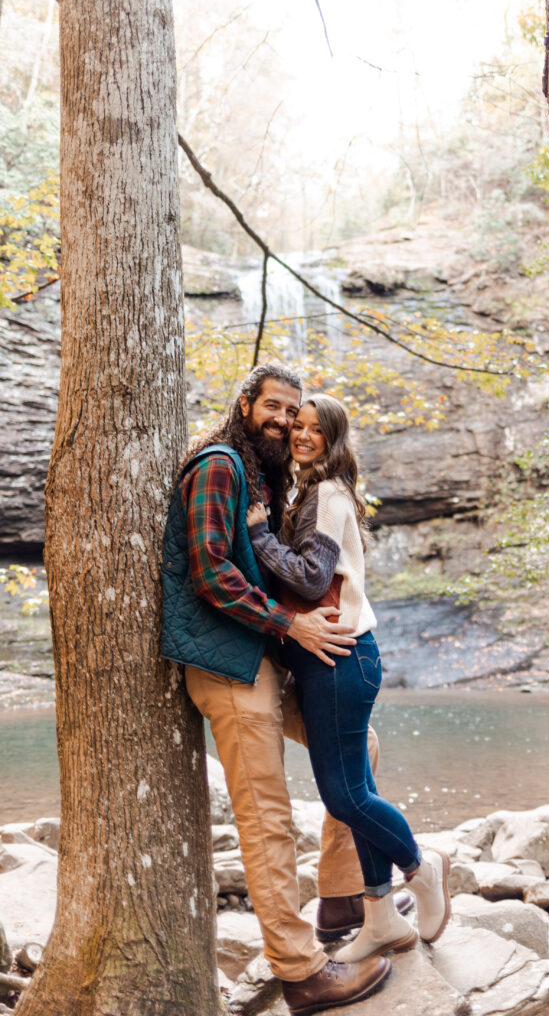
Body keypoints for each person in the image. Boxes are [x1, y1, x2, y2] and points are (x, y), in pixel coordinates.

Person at [160, 364, 392, 1015]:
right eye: (274, 407)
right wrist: (289, 622)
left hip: (263, 659)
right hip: (227, 667)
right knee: (267, 821)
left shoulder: (263, 477)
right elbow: (209, 572)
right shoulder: (217, 466)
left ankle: (343, 896)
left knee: (359, 747)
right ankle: (301, 973)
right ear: (245, 404)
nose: (286, 421)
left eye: (294, 411)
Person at [246, 393, 452, 962]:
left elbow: (313, 581)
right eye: (298, 427)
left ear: (334, 439)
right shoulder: (306, 491)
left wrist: (260, 538)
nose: (302, 436)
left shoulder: (330, 496)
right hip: (324, 661)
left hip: (343, 657)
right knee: (354, 793)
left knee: (346, 795)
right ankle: (380, 916)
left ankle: (422, 865)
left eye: (316, 429)